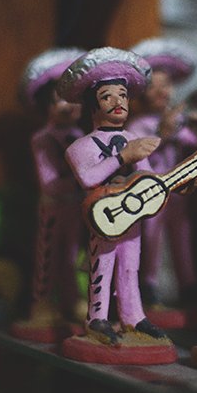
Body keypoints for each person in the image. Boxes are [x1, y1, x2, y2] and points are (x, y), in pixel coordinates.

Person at [57, 47, 168, 345]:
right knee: (101, 267)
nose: (118, 102)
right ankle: (96, 317)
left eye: (123, 95)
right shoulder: (80, 146)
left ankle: (133, 316)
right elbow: (87, 178)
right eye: (108, 96)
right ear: (92, 106)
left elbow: (146, 176)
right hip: (103, 215)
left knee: (131, 267)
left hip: (132, 216)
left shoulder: (134, 138)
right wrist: (122, 157)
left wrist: (172, 183)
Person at [127, 37, 197, 307]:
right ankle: (148, 284)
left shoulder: (178, 122)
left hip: (177, 195)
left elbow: (193, 146)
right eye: (155, 85)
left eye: (167, 84)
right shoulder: (138, 125)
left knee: (182, 237)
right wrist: (163, 132)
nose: (163, 90)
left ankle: (188, 283)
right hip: (150, 194)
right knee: (151, 239)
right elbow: (137, 156)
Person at [11, 47, 86, 340]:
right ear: (47, 106)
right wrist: (81, 183)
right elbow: (49, 182)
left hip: (76, 206)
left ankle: (71, 300)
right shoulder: (43, 139)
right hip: (54, 205)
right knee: (48, 255)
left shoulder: (81, 137)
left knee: (70, 255)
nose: (70, 106)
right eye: (61, 99)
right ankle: (41, 303)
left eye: (74, 99)